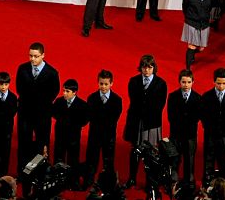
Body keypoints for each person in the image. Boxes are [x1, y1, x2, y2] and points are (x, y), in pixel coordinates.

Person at [123, 54, 167, 189]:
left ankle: (150, 182)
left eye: (150, 67)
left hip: (152, 123)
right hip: (136, 121)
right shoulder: (133, 81)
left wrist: (147, 113)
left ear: (154, 68)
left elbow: (160, 105)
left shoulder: (161, 83)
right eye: (144, 67)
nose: (147, 70)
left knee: (151, 153)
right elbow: (133, 100)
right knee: (135, 151)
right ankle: (132, 178)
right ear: (140, 68)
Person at [15, 42, 60, 174]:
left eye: (36, 56)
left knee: (42, 143)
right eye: (30, 56)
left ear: (43, 56)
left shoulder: (52, 73)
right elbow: (19, 88)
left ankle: (38, 172)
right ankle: (23, 172)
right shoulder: (22, 69)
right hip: (25, 113)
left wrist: (41, 103)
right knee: (24, 143)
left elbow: (54, 91)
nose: (32, 59)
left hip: (42, 114)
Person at [85, 69, 122, 189]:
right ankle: (88, 182)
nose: (103, 86)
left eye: (106, 84)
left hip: (109, 136)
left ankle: (109, 184)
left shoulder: (117, 100)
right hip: (94, 136)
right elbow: (91, 117)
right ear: (98, 83)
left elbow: (113, 120)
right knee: (91, 161)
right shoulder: (91, 98)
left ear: (111, 83)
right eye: (101, 83)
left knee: (109, 161)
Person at [200, 67, 225, 183]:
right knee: (208, 157)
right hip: (210, 132)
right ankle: (207, 180)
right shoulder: (206, 96)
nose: (221, 86)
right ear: (214, 81)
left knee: (224, 158)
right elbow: (203, 115)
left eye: (223, 83)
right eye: (218, 83)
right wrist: (208, 127)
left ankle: (223, 181)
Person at [52, 78, 88, 189]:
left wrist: (72, 124)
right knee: (58, 159)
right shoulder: (59, 102)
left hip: (73, 138)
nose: (64, 93)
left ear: (74, 92)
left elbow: (85, 119)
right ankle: (57, 181)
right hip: (60, 136)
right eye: (64, 91)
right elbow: (54, 113)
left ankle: (72, 181)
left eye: (67, 91)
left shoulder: (82, 105)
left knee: (73, 160)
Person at [167, 69, 200, 186]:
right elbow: (170, 116)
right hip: (176, 135)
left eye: (188, 82)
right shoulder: (172, 96)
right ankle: (173, 183)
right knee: (174, 160)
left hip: (190, 136)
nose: (186, 85)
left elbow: (197, 117)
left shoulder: (198, 98)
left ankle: (189, 183)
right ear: (179, 82)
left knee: (189, 161)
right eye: (184, 82)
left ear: (193, 82)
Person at [181, 0, 214, 70]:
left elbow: (211, 6)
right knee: (191, 46)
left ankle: (192, 55)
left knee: (201, 48)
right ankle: (188, 69)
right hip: (192, 22)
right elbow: (185, 7)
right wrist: (189, 17)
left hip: (204, 23)